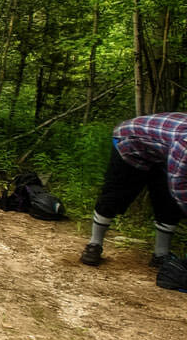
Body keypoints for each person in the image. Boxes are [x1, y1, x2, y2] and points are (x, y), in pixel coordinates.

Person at [80, 112, 186, 269]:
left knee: (167, 202)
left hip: (161, 149)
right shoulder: (184, 145)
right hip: (130, 141)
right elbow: (179, 184)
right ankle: (94, 244)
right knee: (115, 193)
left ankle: (161, 255)